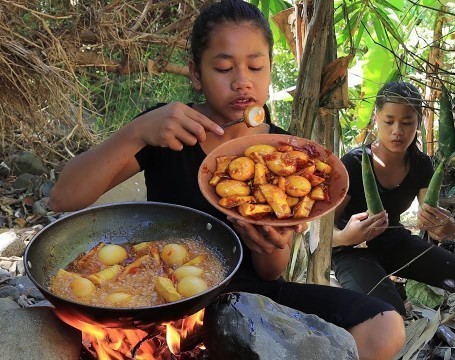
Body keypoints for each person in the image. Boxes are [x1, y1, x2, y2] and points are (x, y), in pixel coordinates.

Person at [48, 1, 405, 359]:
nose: (242, 81)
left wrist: (269, 241)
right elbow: (64, 198)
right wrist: (137, 132)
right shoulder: (170, 130)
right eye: (223, 67)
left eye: (255, 66)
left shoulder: (284, 156)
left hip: (250, 301)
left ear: (269, 70)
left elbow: (270, 272)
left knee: (384, 326)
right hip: (168, 295)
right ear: (196, 73)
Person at [332, 81, 455, 317]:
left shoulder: (421, 164)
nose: (397, 131)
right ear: (377, 117)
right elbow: (320, 232)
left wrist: (446, 228)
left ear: (419, 122)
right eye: (389, 121)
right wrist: (345, 236)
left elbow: (431, 224)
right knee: (391, 313)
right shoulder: (353, 163)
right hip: (350, 250)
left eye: (407, 122)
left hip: (392, 241)